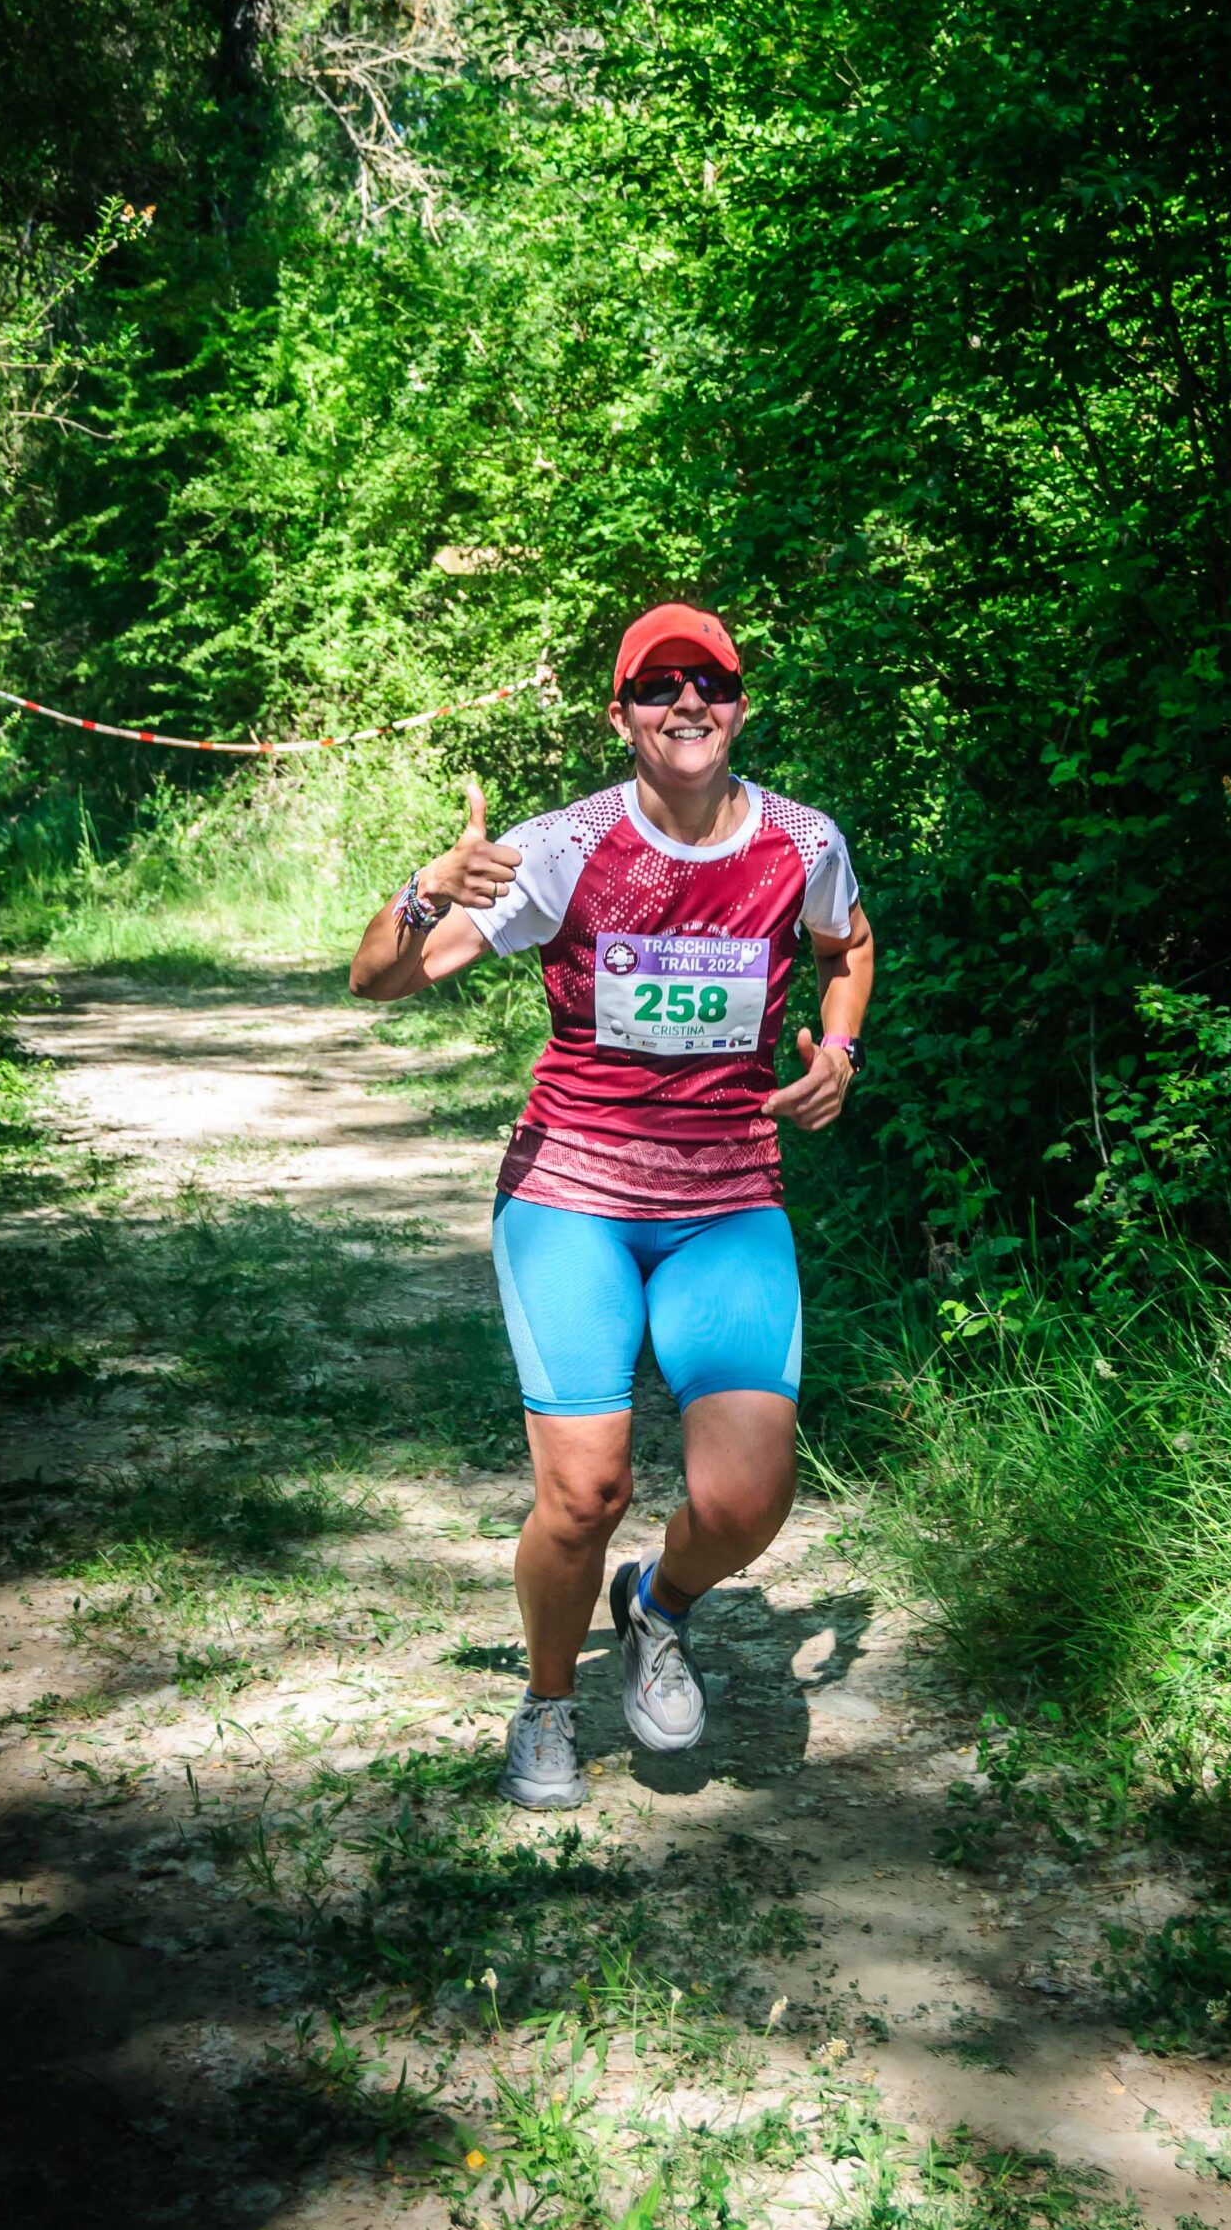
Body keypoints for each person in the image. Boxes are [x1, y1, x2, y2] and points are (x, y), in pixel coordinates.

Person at [348, 603, 873, 1809]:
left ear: (739, 705)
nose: (687, 702)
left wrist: (840, 1049)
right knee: (584, 1492)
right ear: (621, 715)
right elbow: (378, 979)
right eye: (657, 685)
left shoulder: (800, 841)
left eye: (711, 682)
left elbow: (845, 944)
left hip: (726, 1197)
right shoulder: (563, 846)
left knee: (745, 1498)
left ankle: (657, 1606)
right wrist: (425, 888)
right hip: (572, 1192)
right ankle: (547, 1703)